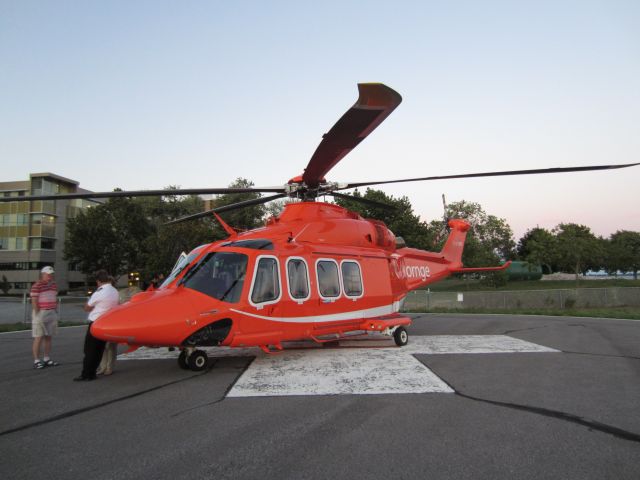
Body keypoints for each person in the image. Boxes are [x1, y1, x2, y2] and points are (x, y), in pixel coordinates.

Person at [74, 270, 119, 381]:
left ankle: (87, 374)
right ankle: (93, 372)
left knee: (89, 350)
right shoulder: (114, 291)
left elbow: (87, 307)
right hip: (107, 322)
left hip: (96, 322)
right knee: (99, 349)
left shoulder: (100, 292)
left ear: (98, 281)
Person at [31, 266, 60, 369]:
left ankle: (47, 358)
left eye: (51, 274)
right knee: (38, 337)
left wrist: (56, 310)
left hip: (51, 312)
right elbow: (34, 301)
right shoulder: (37, 285)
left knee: (49, 336)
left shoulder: (54, 285)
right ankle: (36, 360)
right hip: (41, 313)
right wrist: (37, 314)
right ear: (43, 274)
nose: (50, 276)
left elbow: (55, 298)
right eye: (48, 274)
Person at [96, 275, 120, 376]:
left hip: (111, 321)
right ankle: (103, 366)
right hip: (101, 320)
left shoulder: (114, 293)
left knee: (110, 347)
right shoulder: (101, 291)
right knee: (103, 347)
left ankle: (109, 367)